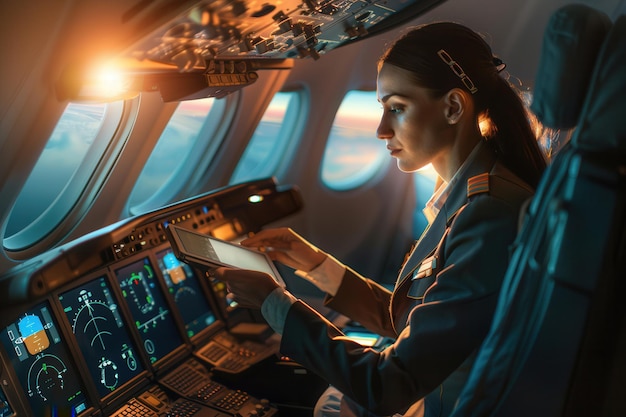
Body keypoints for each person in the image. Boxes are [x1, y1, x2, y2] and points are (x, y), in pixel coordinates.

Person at [215, 22, 547, 417]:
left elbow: (387, 386)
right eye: (382, 108)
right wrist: (314, 264)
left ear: (454, 107)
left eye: (397, 108)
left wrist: (273, 304)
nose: (380, 129)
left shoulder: (489, 213)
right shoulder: (472, 194)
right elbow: (416, 321)